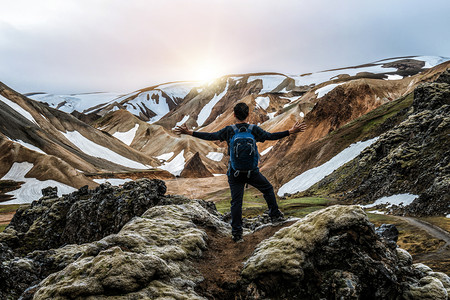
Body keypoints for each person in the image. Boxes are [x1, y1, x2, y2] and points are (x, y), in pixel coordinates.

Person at [175, 102, 306, 242]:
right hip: (252, 172)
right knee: (267, 189)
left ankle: (237, 234)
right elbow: (270, 136)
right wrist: (291, 131)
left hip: (234, 173)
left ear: (234, 115)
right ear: (248, 114)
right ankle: (275, 216)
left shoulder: (229, 130)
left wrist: (189, 132)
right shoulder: (253, 129)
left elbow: (211, 136)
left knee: (236, 202)